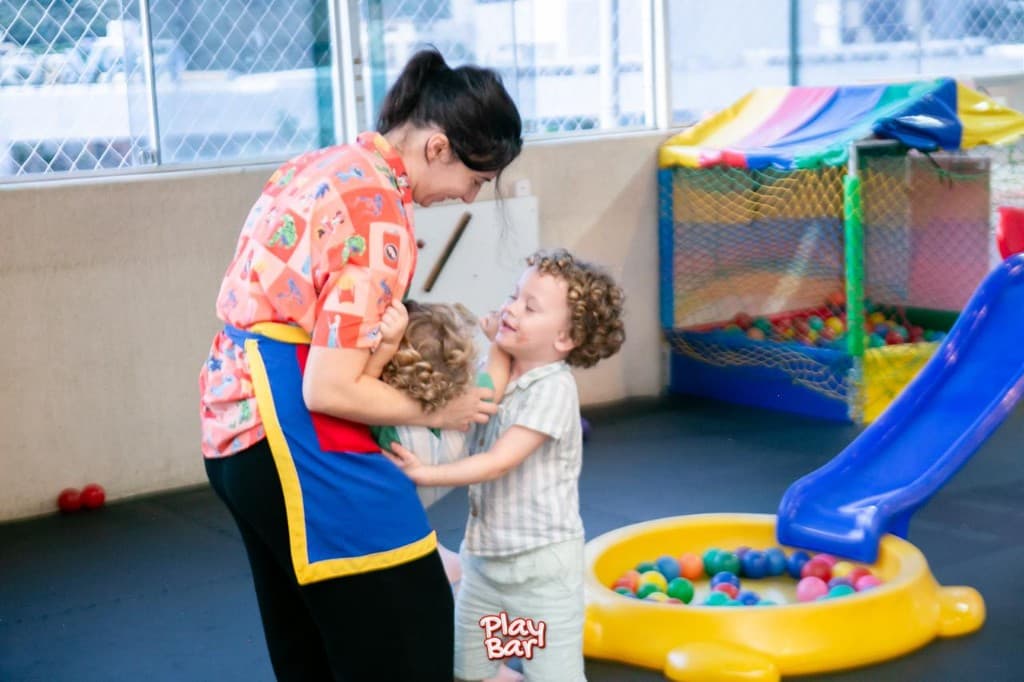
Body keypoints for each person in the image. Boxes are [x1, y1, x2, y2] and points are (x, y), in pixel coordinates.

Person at [198, 47, 522, 682]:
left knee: (309, 643)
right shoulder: (379, 211)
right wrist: (443, 407)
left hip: (230, 426)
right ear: (438, 148)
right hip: (287, 433)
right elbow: (329, 387)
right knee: (415, 627)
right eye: (475, 180)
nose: (465, 196)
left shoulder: (323, 164)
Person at [385, 249, 626, 682]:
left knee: (552, 675)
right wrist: (498, 344)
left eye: (530, 307)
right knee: (473, 670)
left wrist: (426, 473)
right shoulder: (502, 371)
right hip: (487, 564)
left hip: (540, 573)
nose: (511, 308)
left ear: (565, 340)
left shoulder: (553, 389)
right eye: (514, 296)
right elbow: (484, 399)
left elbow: (498, 462)